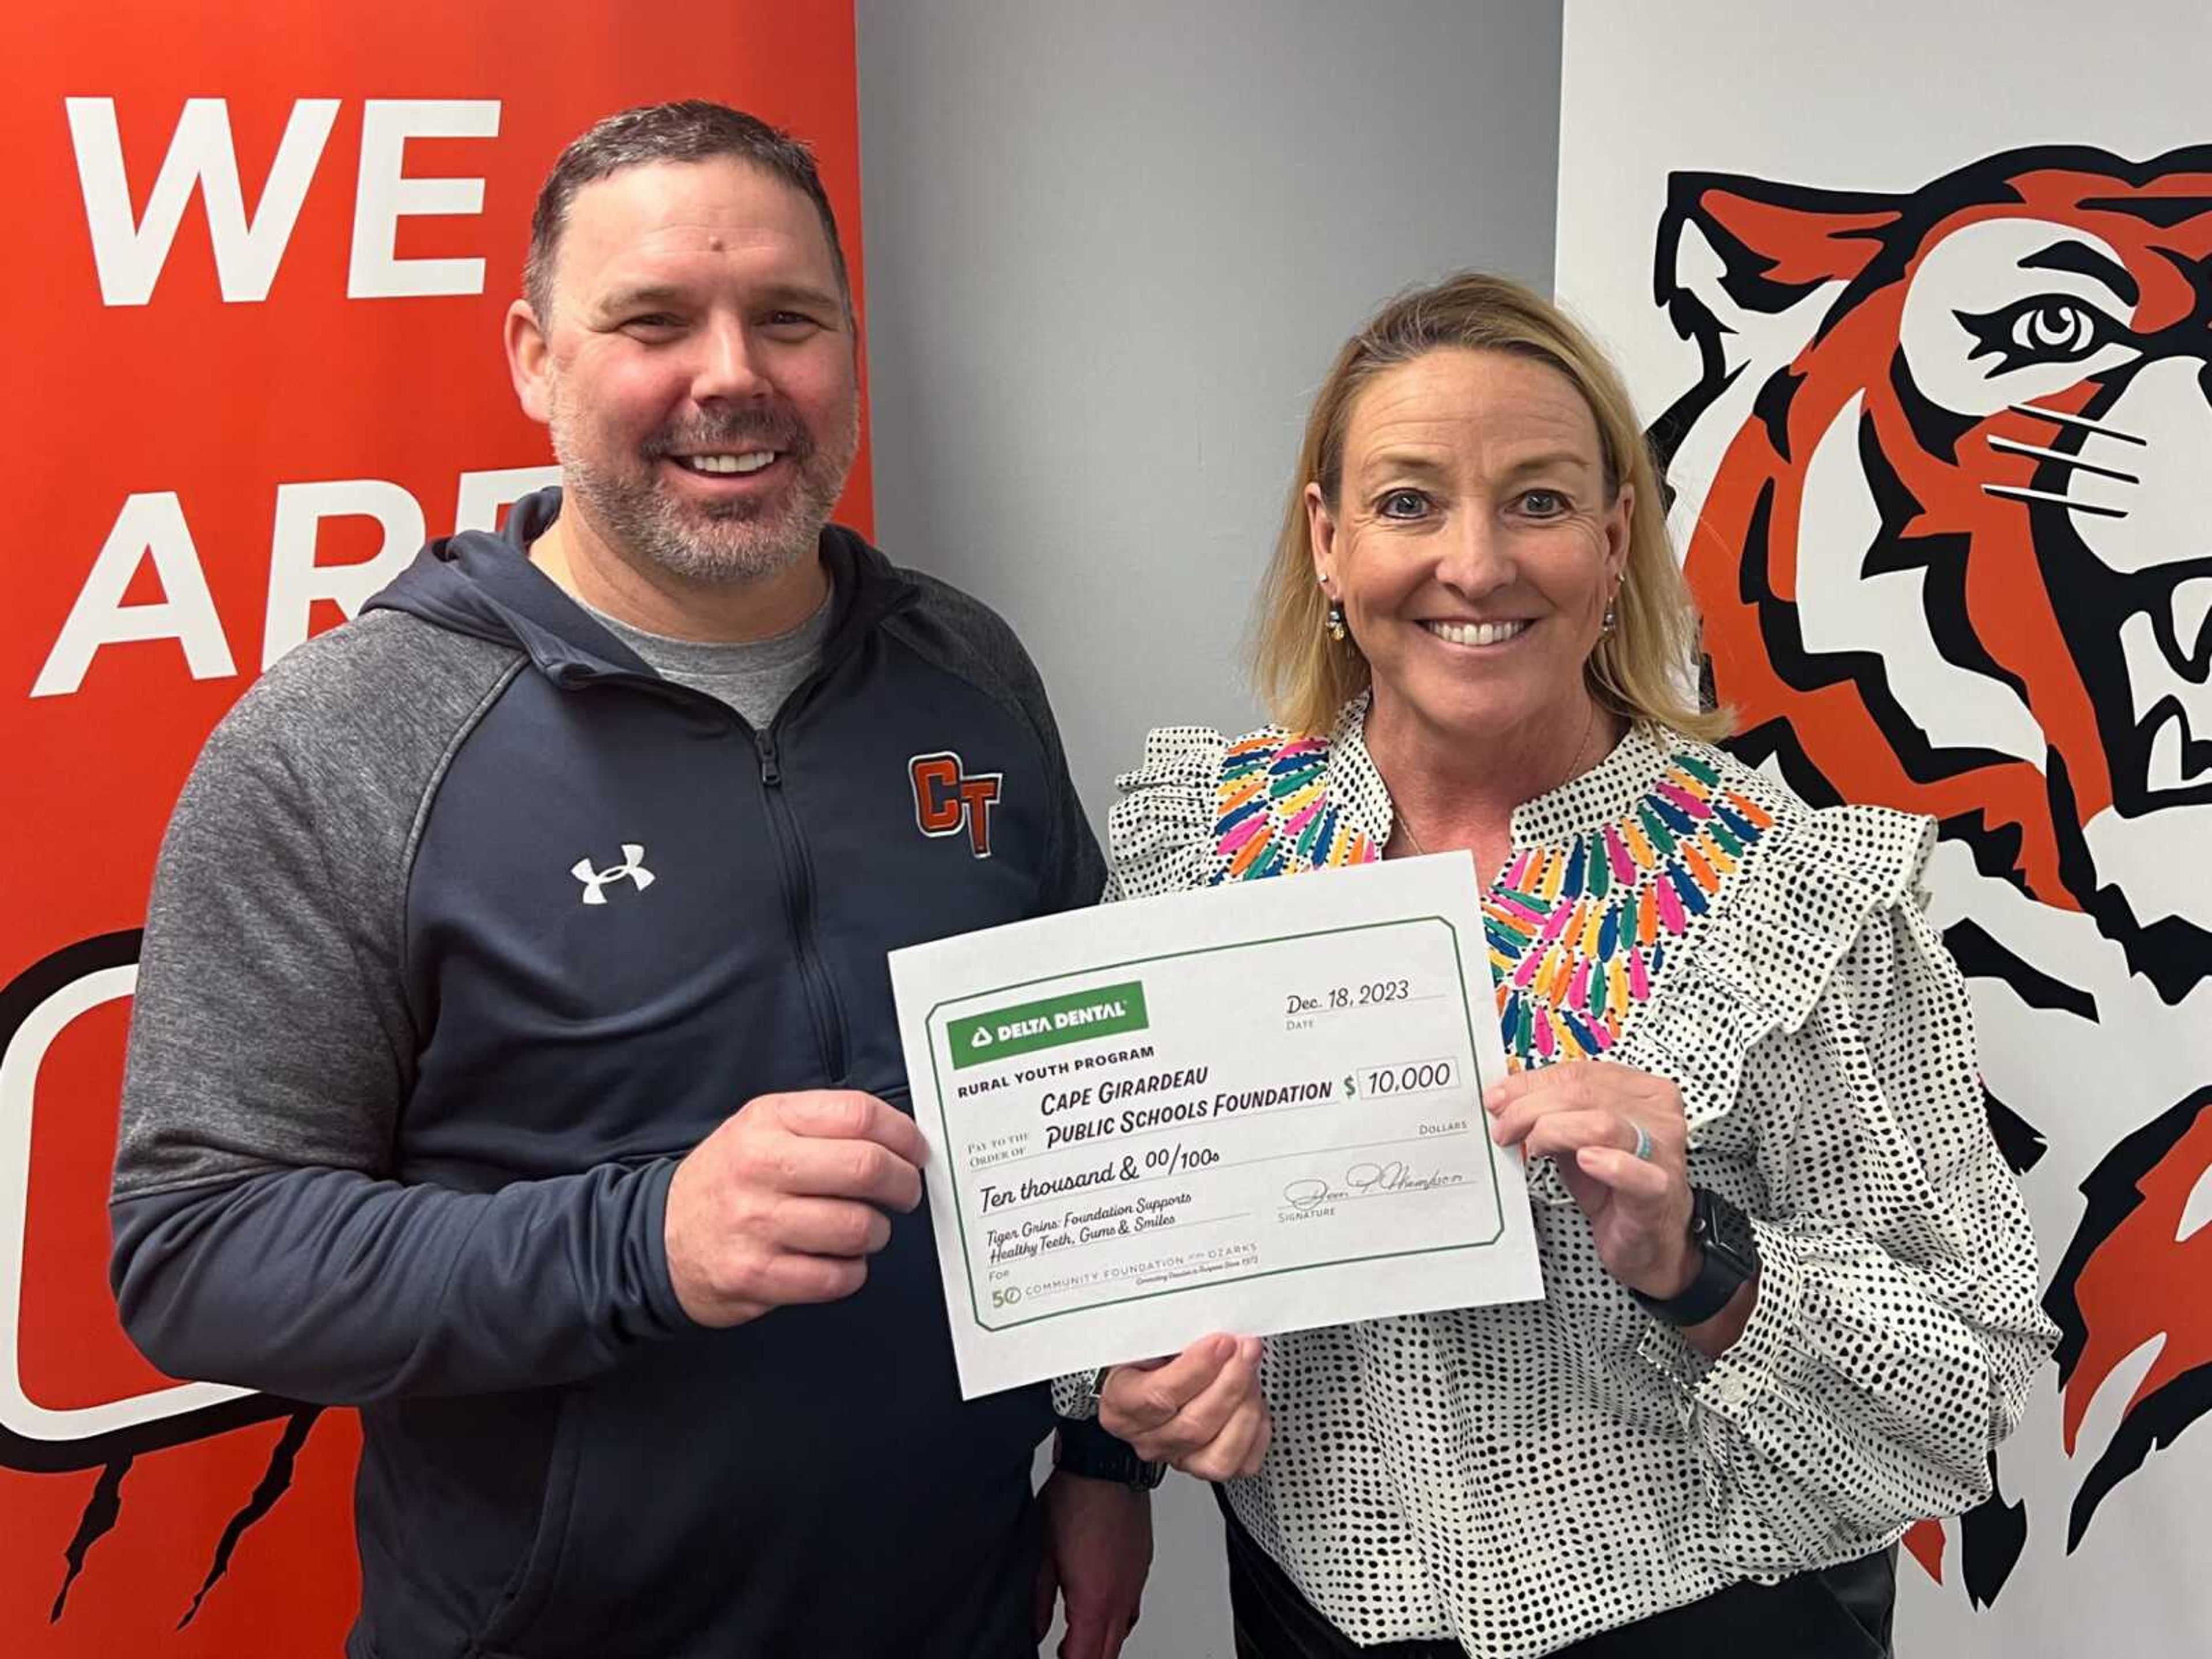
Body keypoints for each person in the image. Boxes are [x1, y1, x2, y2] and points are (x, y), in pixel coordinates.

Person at [111, 101, 1151, 1659]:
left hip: (963, 1612)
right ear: (535, 357)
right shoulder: (343, 740)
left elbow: (1096, 1104)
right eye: (653, 321)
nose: (732, 375)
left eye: (787, 319)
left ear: (849, 349)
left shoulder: (966, 672)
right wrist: (642, 1243)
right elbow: (195, 1252)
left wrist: (1103, 1454)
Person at [1069, 273, 2056, 1657]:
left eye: (1535, 501)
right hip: (1309, 1615)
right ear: (1330, 544)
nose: (1475, 565)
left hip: (1704, 1624)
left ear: (1612, 543)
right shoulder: (1202, 849)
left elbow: (1972, 1363)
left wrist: (1696, 1257)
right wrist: (1134, 1401)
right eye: (1410, 502)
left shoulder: (1785, 885)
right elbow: (1107, 1237)